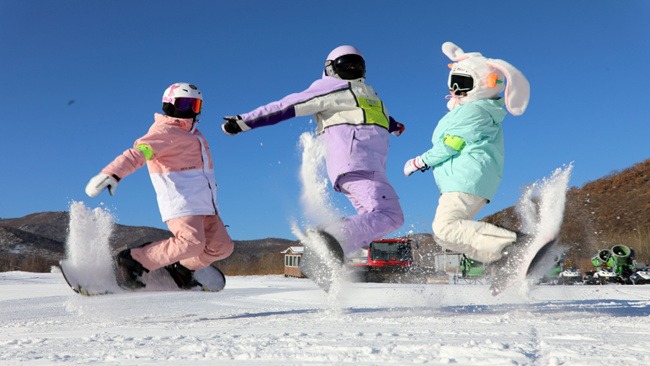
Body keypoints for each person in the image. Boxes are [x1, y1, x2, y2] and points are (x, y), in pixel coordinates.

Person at [221, 45, 405, 259]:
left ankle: (332, 256)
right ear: (331, 68)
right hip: (356, 161)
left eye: (358, 64)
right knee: (390, 215)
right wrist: (244, 121)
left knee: (372, 221)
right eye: (346, 64)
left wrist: (394, 126)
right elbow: (287, 105)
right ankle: (329, 237)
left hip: (369, 166)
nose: (353, 67)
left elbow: (370, 115)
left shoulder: (368, 94)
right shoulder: (330, 88)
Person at [85, 82, 234, 290]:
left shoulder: (195, 135)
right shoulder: (163, 132)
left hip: (206, 205)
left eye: (195, 105)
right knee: (191, 243)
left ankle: (181, 268)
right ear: (169, 105)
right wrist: (113, 173)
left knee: (222, 247)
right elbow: (138, 153)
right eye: (184, 105)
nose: (190, 111)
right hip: (181, 202)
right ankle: (133, 260)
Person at [404, 42, 530, 265]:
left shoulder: (474, 111)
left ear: (486, 84)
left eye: (463, 83)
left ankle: (516, 244)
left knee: (445, 227)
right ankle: (499, 259)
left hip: (466, 177)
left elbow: (449, 145)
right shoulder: (470, 110)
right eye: (453, 81)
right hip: (465, 179)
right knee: (445, 237)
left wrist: (418, 162)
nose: (454, 89)